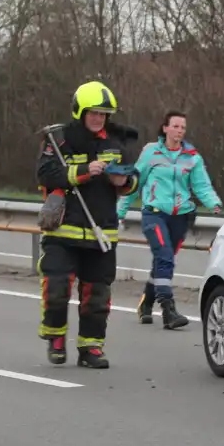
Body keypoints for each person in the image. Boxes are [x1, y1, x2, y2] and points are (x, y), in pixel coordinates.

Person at [36, 80, 138, 369]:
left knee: (97, 296)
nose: (98, 118)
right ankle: (55, 338)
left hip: (101, 232)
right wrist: (83, 171)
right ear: (80, 112)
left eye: (103, 114)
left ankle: (90, 348)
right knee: (56, 288)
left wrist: (125, 182)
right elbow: (45, 174)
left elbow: (133, 179)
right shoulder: (59, 140)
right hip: (63, 230)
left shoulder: (117, 143)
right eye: (93, 112)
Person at [117, 110, 223, 330]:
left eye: (183, 128)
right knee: (165, 257)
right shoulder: (151, 153)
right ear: (165, 128)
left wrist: (213, 203)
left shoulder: (192, 157)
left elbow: (201, 185)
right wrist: (121, 211)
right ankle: (168, 309)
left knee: (161, 262)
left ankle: (146, 303)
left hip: (181, 217)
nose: (179, 131)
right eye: (175, 126)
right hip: (154, 213)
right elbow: (133, 184)